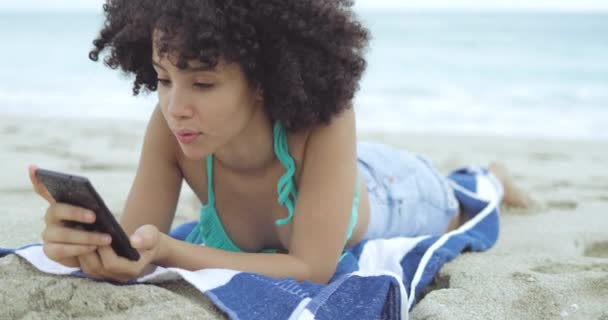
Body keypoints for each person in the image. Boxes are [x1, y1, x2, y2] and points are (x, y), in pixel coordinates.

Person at [28, 0, 528, 284]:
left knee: (463, 198)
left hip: (395, 190)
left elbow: (311, 268)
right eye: (161, 79)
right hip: (333, 179)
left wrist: (170, 253)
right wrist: (87, 243)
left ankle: (493, 175)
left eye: (202, 83)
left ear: (263, 80)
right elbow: (138, 243)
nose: (174, 105)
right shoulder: (174, 128)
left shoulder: (327, 121)